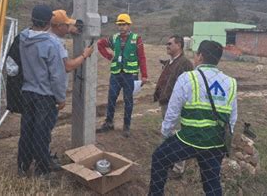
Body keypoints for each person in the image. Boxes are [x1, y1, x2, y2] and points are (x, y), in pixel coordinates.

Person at [148, 40, 238, 196]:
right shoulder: (230, 82)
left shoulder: (188, 78)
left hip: (189, 140)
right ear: (218, 59)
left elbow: (173, 111)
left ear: (200, 56)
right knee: (212, 182)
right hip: (215, 143)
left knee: (159, 158)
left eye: (196, 54)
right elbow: (232, 118)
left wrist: (166, 132)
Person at [17, 4, 67, 178]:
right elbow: (57, 75)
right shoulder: (51, 43)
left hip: (27, 92)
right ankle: (42, 172)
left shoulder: (22, 37)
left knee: (26, 130)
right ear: (48, 23)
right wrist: (61, 98)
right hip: (45, 96)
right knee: (42, 133)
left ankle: (22, 167)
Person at [96, 13, 148, 137]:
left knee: (128, 101)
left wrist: (144, 75)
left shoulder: (137, 39)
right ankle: (109, 123)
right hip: (116, 74)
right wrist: (109, 56)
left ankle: (126, 126)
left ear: (129, 25)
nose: (121, 27)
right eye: (119, 25)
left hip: (130, 75)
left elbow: (142, 57)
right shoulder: (114, 38)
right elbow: (100, 44)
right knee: (111, 99)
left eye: (124, 24)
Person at [153, 35, 193, 177]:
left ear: (179, 45)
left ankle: (178, 168)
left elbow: (189, 87)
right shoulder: (171, 62)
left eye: (170, 43)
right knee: (168, 133)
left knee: (177, 135)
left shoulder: (185, 63)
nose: (167, 45)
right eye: (166, 43)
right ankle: (169, 161)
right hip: (167, 103)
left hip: (176, 105)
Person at [49, 9, 94, 75]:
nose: (69, 26)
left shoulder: (45, 37)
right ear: (59, 26)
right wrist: (84, 55)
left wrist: (68, 30)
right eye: (67, 25)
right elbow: (68, 67)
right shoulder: (57, 43)